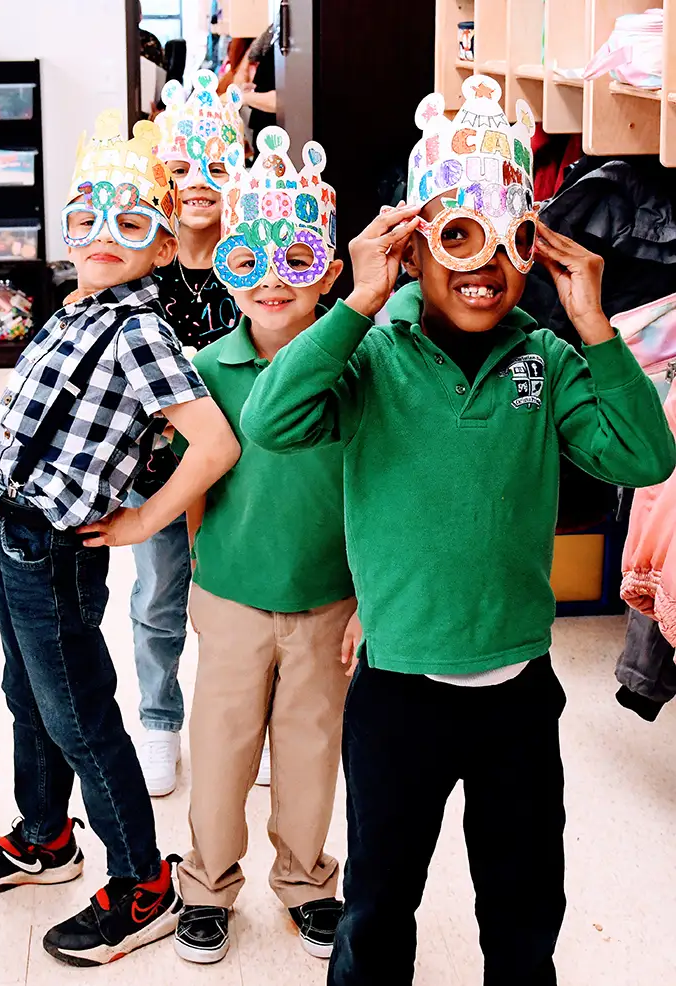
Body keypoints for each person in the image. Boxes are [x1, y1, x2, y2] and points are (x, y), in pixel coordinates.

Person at [242, 76, 676, 985]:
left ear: (532, 248)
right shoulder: (367, 354)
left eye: (506, 240)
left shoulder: (547, 358)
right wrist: (356, 302)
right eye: (455, 235)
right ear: (415, 243)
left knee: (523, 911)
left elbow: (644, 458)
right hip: (400, 691)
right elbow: (272, 424)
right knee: (378, 907)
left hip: (519, 692)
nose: (481, 265)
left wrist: (593, 323)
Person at [0, 111, 240, 967]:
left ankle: (144, 880)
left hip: (55, 549)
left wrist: (146, 518)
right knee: (26, 694)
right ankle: (44, 838)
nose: (104, 240)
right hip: (10, 527)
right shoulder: (76, 305)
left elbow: (214, 444)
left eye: (131, 225)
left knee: (77, 712)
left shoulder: (141, 327)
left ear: (159, 244)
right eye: (87, 221)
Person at [173, 128, 355, 965]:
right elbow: (193, 489)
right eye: (255, 261)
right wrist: (204, 581)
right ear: (228, 266)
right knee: (219, 751)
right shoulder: (208, 366)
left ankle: (308, 881)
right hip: (235, 595)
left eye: (299, 259)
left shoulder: (360, 371)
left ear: (331, 271)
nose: (276, 281)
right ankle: (206, 885)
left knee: (312, 752)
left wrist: (364, 598)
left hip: (327, 601)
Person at [125, 70, 245, 797]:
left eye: (217, 167)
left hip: (254, 469)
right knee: (159, 597)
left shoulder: (258, 263)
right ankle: (159, 721)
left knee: (246, 602)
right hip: (161, 471)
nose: (198, 183)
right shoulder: (144, 266)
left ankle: (248, 723)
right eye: (179, 169)